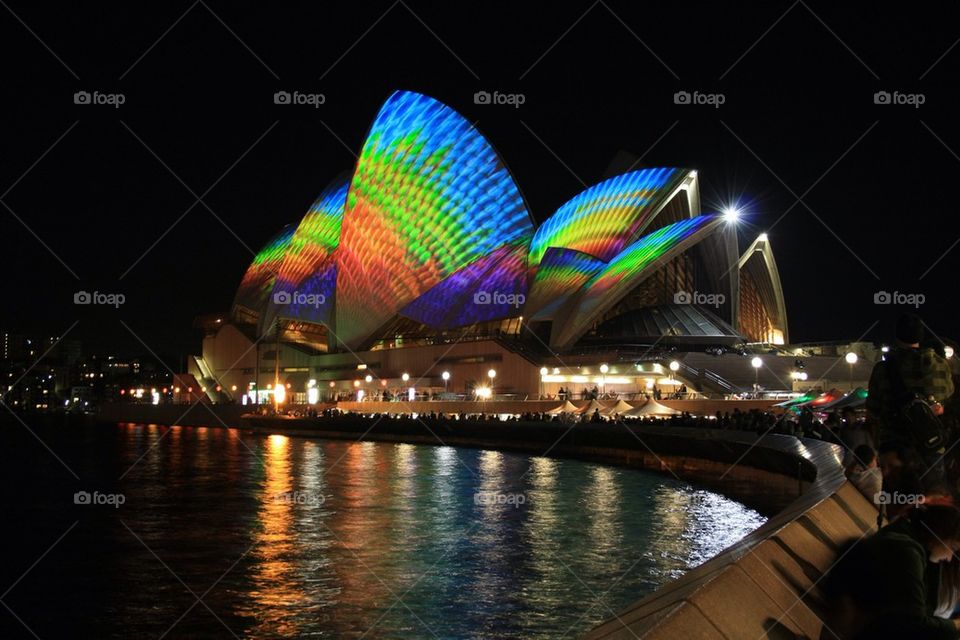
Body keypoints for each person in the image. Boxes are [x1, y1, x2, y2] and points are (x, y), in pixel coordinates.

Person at [823, 504, 960, 639]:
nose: (949, 558)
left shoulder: (904, 538)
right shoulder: (906, 551)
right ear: (940, 535)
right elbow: (913, 624)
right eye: (953, 548)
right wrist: (956, 625)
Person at [868, 314, 954, 489]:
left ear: (897, 336)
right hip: (930, 445)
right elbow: (947, 396)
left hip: (894, 449)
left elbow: (873, 411)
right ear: (921, 336)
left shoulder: (883, 370)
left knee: (898, 505)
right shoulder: (938, 365)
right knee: (934, 501)